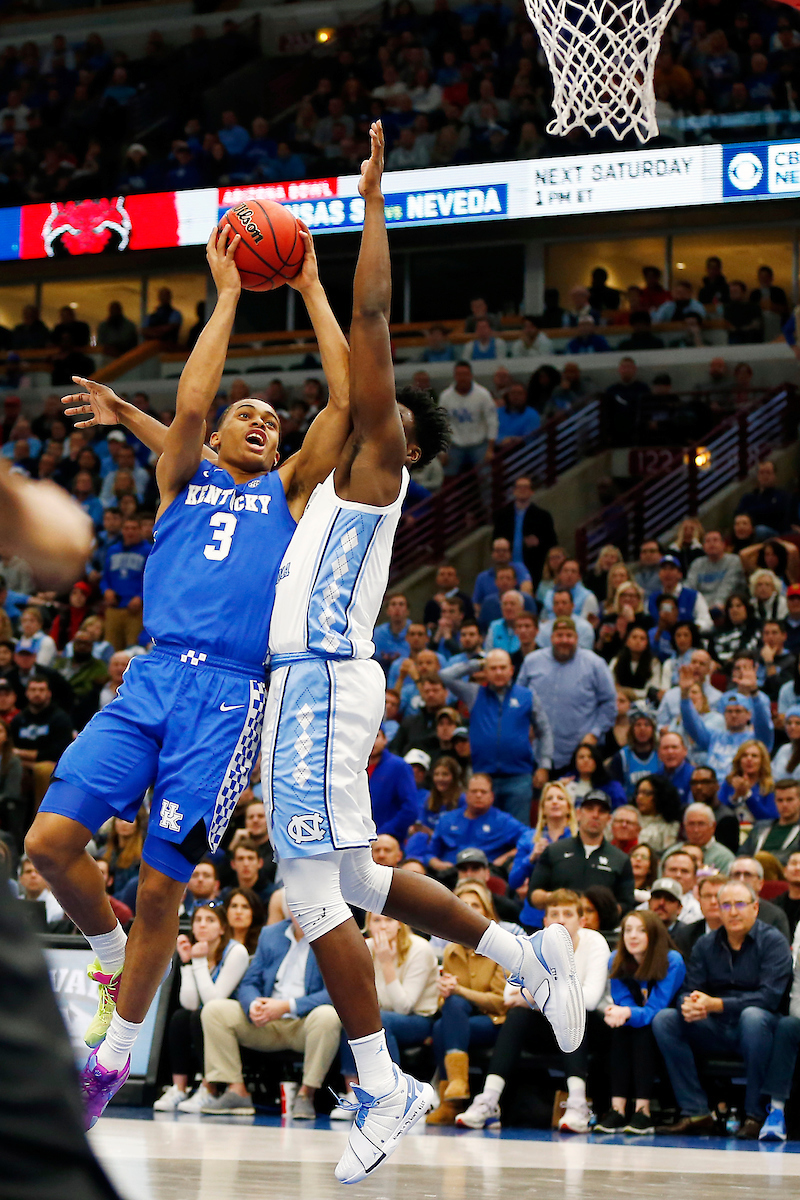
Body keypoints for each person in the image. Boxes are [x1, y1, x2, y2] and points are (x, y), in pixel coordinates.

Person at [256, 125, 583, 1182]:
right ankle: (519, 950)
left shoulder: (379, 464)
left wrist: (369, 204)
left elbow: (371, 321)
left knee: (310, 893)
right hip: (312, 686)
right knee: (358, 876)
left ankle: (378, 1082)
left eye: (376, 396)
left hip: (319, 688)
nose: (360, 394)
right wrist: (303, 284)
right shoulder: (325, 482)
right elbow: (342, 351)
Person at [25, 215, 357, 1124]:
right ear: (215, 436)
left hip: (227, 697)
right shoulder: (184, 471)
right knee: (49, 847)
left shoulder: (288, 491)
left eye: (273, 421)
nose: (264, 421)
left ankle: (114, 1055)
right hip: (151, 678)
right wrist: (228, 297)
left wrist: (313, 287)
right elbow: (193, 404)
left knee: (166, 880)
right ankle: (104, 945)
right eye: (250, 413)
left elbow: (345, 400)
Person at [457, 889, 610, 1133]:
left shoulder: (594, 942)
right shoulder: (536, 943)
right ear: (545, 922)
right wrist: (551, 992)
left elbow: (589, 1000)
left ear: (581, 921)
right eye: (554, 914)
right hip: (543, 1026)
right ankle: (488, 1100)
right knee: (518, 1015)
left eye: (568, 914)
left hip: (591, 1026)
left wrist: (536, 991)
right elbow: (509, 995)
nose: (560, 919)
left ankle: (578, 1104)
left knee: (573, 1012)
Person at [652, 878, 792, 1139]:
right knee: (665, 1019)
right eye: (725, 905)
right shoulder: (706, 944)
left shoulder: (773, 942)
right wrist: (690, 1005)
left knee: (753, 1017)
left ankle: (755, 1115)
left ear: (755, 908)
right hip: (715, 1025)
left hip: (760, 1027)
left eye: (740, 904)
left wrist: (716, 1004)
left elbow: (769, 998)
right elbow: (689, 988)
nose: (733, 911)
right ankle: (696, 1112)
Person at [199, 912, 341, 1119]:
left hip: (304, 1023)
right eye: (292, 903)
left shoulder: (330, 935)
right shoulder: (271, 934)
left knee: (328, 1016)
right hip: (266, 1022)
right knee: (214, 1011)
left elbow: (335, 992)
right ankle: (236, 1090)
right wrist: (253, 1005)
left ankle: (306, 1094)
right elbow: (249, 982)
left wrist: (287, 1006)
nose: (297, 909)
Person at [333, 911, 439, 1116]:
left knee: (381, 1021)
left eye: (389, 920)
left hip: (418, 1020)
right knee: (352, 1017)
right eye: (377, 920)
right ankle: (353, 1092)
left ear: (400, 924)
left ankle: (393, 1095)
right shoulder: (364, 948)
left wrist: (386, 963)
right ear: (368, 926)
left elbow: (404, 1006)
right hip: (381, 1016)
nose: (383, 926)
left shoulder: (419, 949)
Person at [595, 910, 686, 1134]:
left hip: (671, 1027)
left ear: (654, 934)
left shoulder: (671, 960)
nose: (632, 936)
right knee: (621, 1027)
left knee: (642, 1028)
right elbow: (623, 1001)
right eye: (628, 930)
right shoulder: (615, 959)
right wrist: (617, 1012)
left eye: (641, 930)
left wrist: (626, 1012)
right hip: (635, 1022)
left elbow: (657, 1008)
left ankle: (643, 1111)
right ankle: (617, 1109)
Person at [153, 900, 249, 1111]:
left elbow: (214, 1001)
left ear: (223, 928)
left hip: (235, 1019)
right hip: (208, 1014)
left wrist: (197, 962)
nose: (202, 925)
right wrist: (187, 963)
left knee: (201, 1016)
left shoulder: (236, 952)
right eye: (198, 920)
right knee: (181, 1017)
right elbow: (190, 1003)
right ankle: (179, 1088)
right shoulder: (197, 951)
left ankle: (209, 1089)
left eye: (210, 920)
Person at [439, 650, 552, 823]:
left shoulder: (527, 696)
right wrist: (477, 664)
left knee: (517, 831)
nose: (498, 672)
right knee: (483, 830)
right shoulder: (474, 694)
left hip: (519, 777)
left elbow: (544, 731)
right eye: (493, 668)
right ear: (485, 671)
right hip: (483, 777)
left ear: (511, 670)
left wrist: (544, 765)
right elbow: (445, 676)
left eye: (502, 667)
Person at [518, 619, 616, 773]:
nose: (564, 640)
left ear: (577, 638)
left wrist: (595, 733)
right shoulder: (532, 661)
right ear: (551, 638)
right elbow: (518, 698)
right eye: (559, 635)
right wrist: (524, 723)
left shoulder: (595, 664)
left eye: (569, 635)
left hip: (579, 752)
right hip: (536, 750)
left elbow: (609, 703)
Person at [528, 790, 636, 915]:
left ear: (609, 819)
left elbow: (627, 903)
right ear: (578, 814)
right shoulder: (554, 851)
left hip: (602, 931)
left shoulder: (620, 859)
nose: (595, 815)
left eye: (602, 811)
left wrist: (602, 911)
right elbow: (533, 894)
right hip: (560, 927)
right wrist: (556, 897)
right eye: (590, 809)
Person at [679, 665, 774, 779]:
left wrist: (754, 692)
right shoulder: (714, 737)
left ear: (749, 715)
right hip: (713, 789)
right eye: (729, 711)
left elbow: (763, 723)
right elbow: (692, 725)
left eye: (738, 711)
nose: (733, 715)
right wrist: (685, 695)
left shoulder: (756, 740)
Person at [508, 783, 577, 929]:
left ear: (569, 808)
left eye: (560, 798)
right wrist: (531, 858)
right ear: (542, 809)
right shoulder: (529, 838)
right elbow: (514, 881)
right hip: (534, 916)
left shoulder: (577, 839)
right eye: (549, 798)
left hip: (569, 914)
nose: (554, 801)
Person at [10, 672, 74, 809]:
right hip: (23, 764)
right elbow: (9, 749)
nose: (37, 694)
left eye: (41, 690)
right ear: (27, 693)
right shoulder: (19, 719)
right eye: (33, 690)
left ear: (49, 693)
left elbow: (59, 752)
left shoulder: (60, 718)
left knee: (42, 770)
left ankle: (41, 816)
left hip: (53, 765)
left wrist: (22, 754)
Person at [492, 475, 557, 587]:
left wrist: (538, 543)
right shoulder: (502, 515)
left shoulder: (542, 516)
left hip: (534, 568)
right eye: (519, 487)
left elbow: (553, 544)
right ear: (513, 491)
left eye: (526, 487)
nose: (522, 490)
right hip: (506, 569)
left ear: (532, 491)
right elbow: (494, 541)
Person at [438, 360, 497, 475]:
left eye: (465, 374)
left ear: (471, 375)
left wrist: (490, 448)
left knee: (485, 475)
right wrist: (442, 451)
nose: (462, 378)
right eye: (459, 374)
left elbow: (492, 421)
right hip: (455, 444)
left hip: (479, 443)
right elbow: (441, 424)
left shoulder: (483, 394)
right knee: (448, 476)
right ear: (455, 376)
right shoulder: (446, 396)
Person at [366, 728, 420, 845]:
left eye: (376, 736)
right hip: (359, 841)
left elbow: (410, 809)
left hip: (389, 841)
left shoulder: (399, 766)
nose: (371, 741)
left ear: (385, 739)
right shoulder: (355, 768)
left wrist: (384, 832)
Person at [726, 857, 791, 941]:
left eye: (747, 874)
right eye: (736, 874)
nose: (741, 879)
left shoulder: (775, 915)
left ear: (760, 883)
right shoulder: (720, 910)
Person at [686, 531, 747, 616]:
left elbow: (727, 587)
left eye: (715, 540)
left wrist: (717, 606)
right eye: (708, 541)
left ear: (723, 544)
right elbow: (689, 587)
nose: (712, 544)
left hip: (726, 607)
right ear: (703, 546)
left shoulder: (733, 561)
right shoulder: (697, 563)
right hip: (700, 609)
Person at [741, 777, 800, 863]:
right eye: (780, 800)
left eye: (789, 800)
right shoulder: (760, 827)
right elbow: (742, 854)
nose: (784, 805)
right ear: (774, 801)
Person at [647, 555, 712, 633]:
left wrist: (690, 630)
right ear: (659, 574)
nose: (667, 573)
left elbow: (706, 622)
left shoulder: (693, 596)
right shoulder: (652, 598)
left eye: (672, 569)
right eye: (664, 569)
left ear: (680, 574)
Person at [607, 706, 660, 799]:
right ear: (632, 729)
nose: (642, 729)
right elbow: (615, 789)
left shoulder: (661, 754)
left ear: (653, 729)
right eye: (638, 725)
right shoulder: (622, 757)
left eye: (647, 725)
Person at [735, 459, 792, 540]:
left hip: (774, 533)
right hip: (750, 529)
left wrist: (751, 513)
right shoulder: (748, 497)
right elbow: (738, 514)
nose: (765, 476)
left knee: (760, 530)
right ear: (757, 476)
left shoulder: (782, 495)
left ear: (774, 475)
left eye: (768, 473)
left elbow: (776, 514)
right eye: (762, 473)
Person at [681, 796, 737, 869]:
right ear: (684, 826)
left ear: (713, 827)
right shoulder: (672, 853)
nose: (696, 830)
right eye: (691, 824)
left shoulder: (724, 858)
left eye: (701, 824)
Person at [633, 776, 682, 855]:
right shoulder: (629, 819)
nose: (639, 797)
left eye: (646, 793)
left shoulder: (670, 827)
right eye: (638, 793)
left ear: (660, 795)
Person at [18, 854, 65, 925]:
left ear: (46, 878)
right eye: (28, 871)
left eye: (38, 872)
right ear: (21, 878)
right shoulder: (15, 903)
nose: (33, 875)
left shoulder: (57, 906)